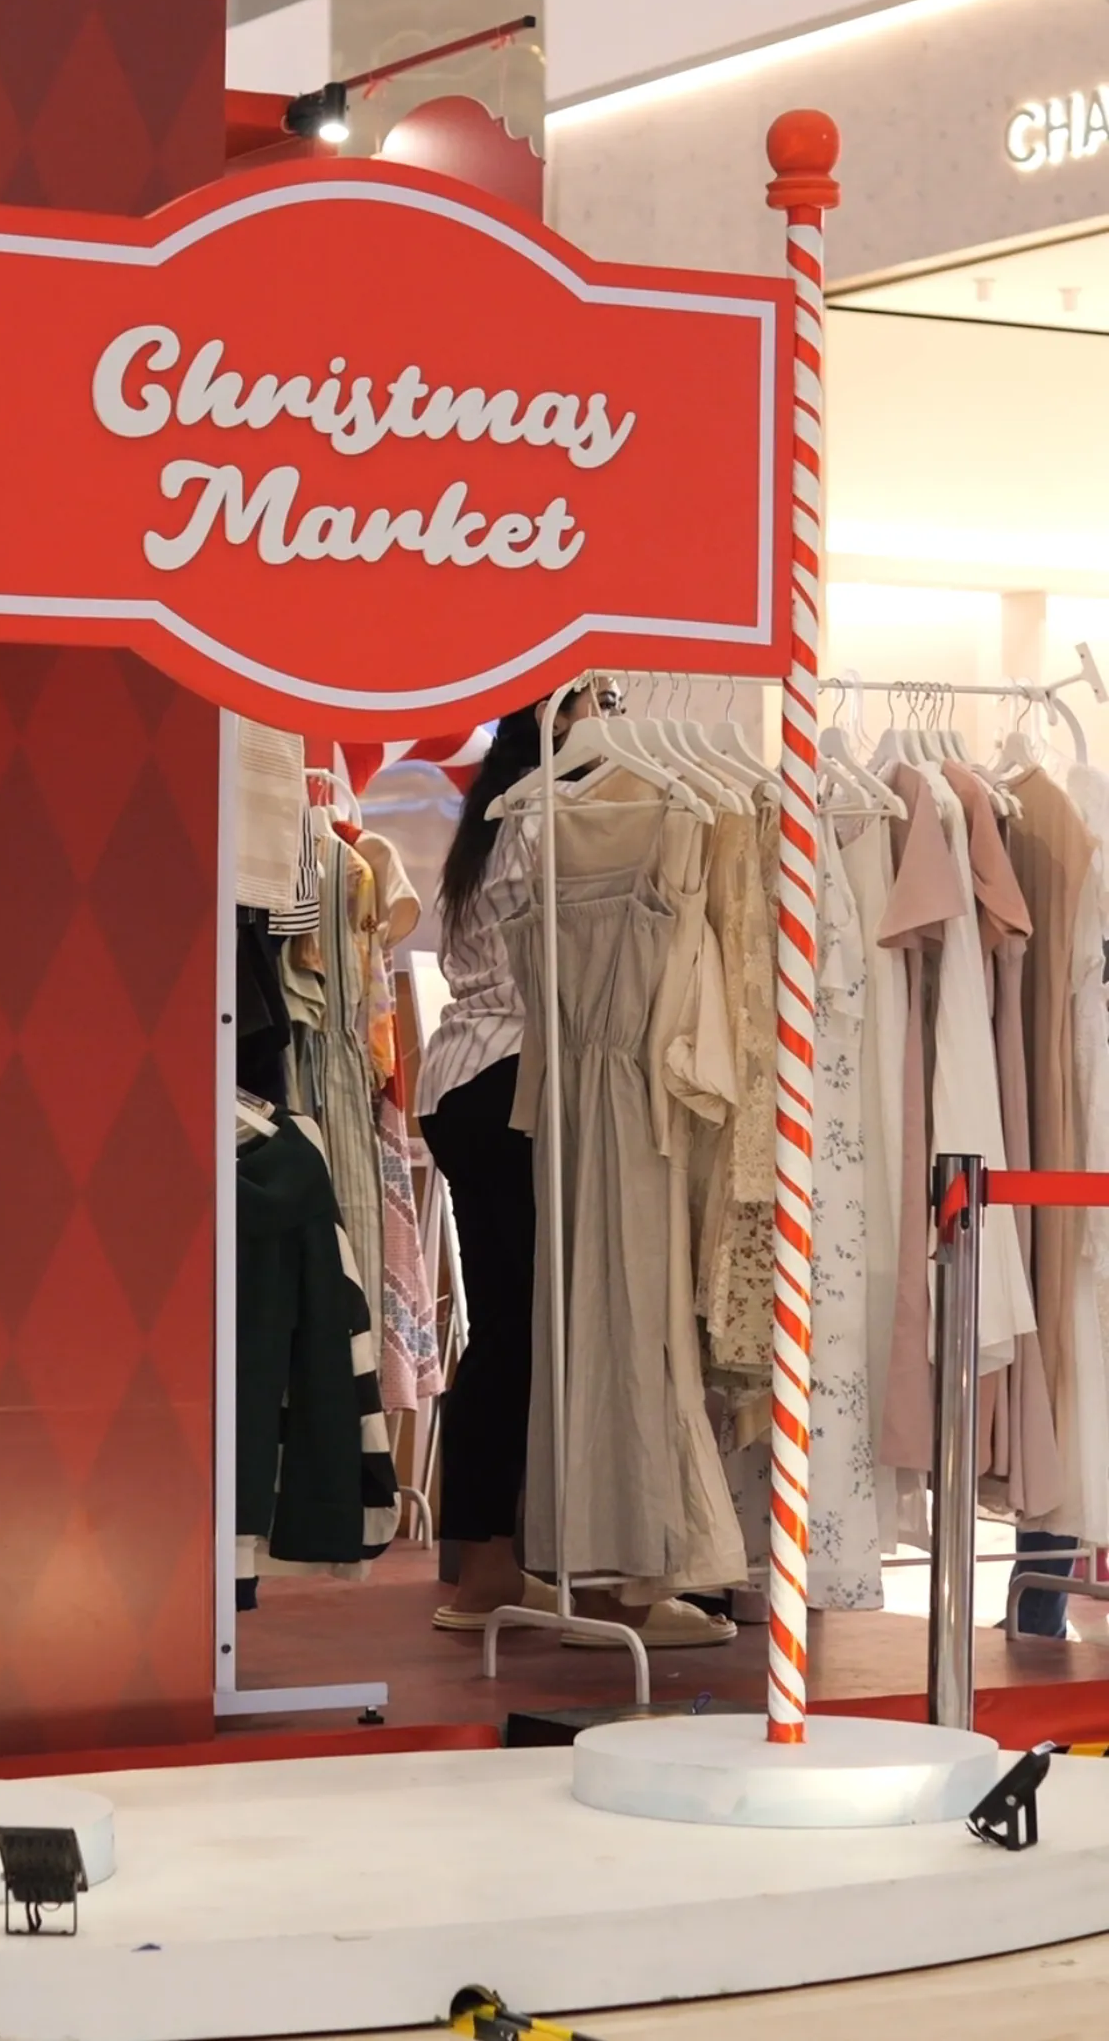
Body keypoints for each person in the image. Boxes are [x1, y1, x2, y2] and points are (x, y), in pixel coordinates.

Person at [417, 694, 733, 1647]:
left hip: (462, 1076)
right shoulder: (561, 813)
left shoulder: (494, 816)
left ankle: (497, 1565)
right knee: (560, 1322)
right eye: (601, 698)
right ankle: (578, 1575)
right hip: (527, 1075)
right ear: (559, 716)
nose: (616, 712)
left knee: (513, 1325)